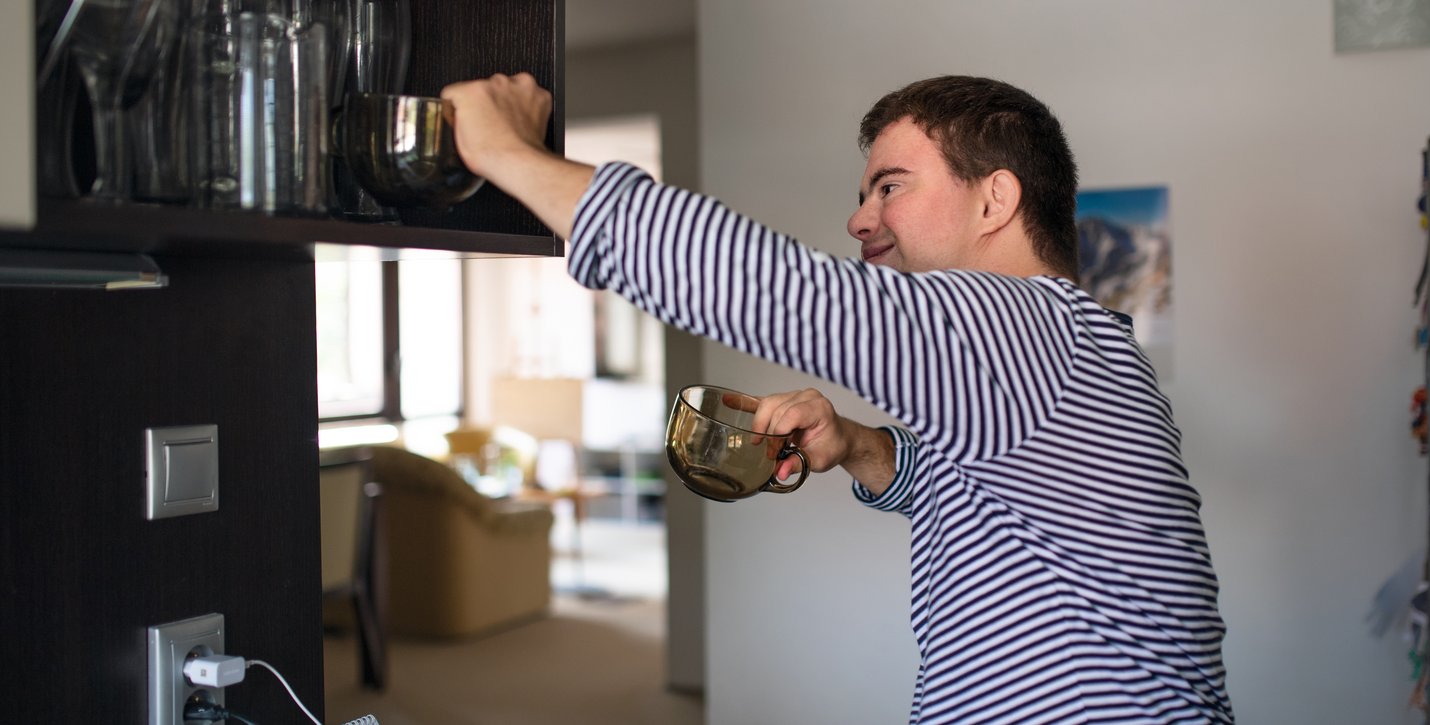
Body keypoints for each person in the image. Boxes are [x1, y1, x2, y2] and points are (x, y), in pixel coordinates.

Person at [442, 72, 1233, 723]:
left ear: (995, 200)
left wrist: (502, 149)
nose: (859, 220)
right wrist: (859, 443)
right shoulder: (1062, 352)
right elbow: (994, 497)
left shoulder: (1024, 325)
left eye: (890, 186)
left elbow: (769, 289)